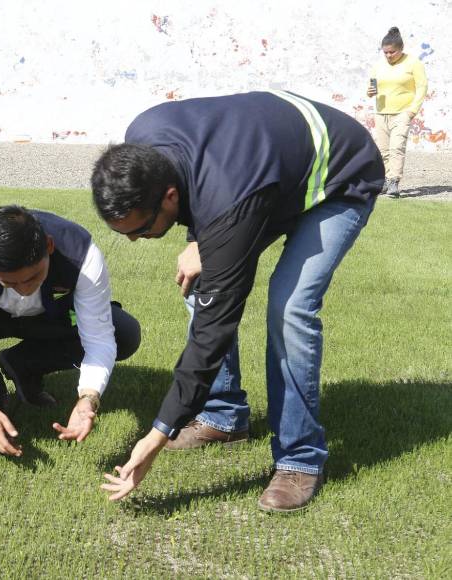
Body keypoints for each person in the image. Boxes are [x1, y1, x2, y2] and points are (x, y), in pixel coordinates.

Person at [91, 91, 383, 512]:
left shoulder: (231, 195)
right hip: (263, 174)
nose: (136, 239)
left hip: (337, 176)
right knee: (198, 284)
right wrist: (201, 241)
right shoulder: (142, 137)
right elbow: (203, 170)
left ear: (168, 197)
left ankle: (300, 460)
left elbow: (214, 331)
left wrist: (156, 434)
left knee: (290, 308)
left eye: (141, 228)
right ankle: (223, 416)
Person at [0, 205, 141, 456]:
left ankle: (24, 364)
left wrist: (89, 397)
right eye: (9, 281)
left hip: (52, 315)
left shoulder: (82, 254)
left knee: (124, 333)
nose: (23, 289)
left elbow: (99, 338)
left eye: (34, 277)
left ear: (50, 247)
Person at [366, 27, 427, 198]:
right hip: (381, 113)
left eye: (392, 52)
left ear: (401, 49)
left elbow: (422, 87)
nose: (388, 56)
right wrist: (370, 92)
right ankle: (385, 179)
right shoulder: (379, 66)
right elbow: (371, 87)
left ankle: (394, 181)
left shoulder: (413, 63)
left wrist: (411, 111)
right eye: (385, 52)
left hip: (402, 113)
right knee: (383, 150)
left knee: (397, 147)